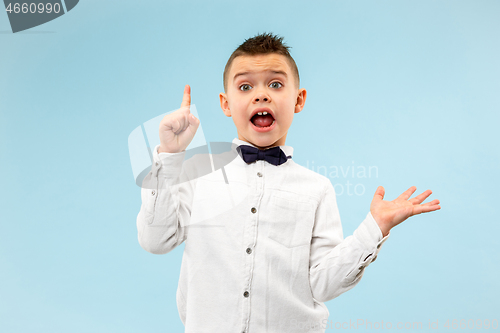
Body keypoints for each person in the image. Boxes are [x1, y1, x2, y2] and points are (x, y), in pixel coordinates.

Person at [136, 32, 441, 333]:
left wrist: (374, 228)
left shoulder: (317, 189)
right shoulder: (197, 174)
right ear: (226, 104)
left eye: (276, 84)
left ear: (299, 99)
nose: (261, 95)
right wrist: (170, 155)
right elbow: (155, 240)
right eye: (245, 86)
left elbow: (323, 284)